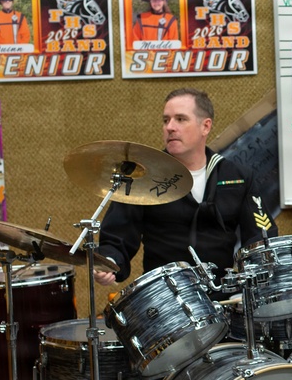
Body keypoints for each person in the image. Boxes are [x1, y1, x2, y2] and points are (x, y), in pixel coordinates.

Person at [94, 88, 277, 293]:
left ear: (205, 126)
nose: (170, 127)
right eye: (166, 121)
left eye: (180, 119)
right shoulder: (143, 177)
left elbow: (260, 236)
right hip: (165, 299)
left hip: (224, 295)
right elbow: (118, 236)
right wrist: (110, 262)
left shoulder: (237, 176)